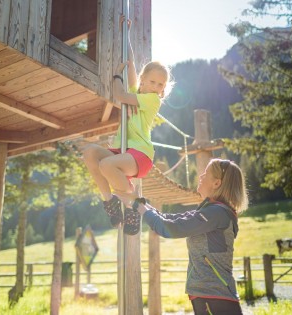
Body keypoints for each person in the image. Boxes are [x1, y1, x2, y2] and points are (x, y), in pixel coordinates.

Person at [82, 17, 172, 235]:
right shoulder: (137, 91)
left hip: (140, 154)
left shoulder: (152, 100)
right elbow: (131, 62)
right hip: (124, 149)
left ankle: (134, 204)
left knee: (106, 166)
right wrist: (126, 33)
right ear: (143, 80)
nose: (156, 87)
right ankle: (110, 202)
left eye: (161, 85)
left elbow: (120, 94)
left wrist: (115, 76)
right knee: (90, 152)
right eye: (152, 82)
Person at [127, 158, 248, 315]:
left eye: (205, 173)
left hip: (213, 295)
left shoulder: (216, 214)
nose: (200, 176)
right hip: (211, 294)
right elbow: (170, 219)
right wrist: (141, 203)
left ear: (217, 183)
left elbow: (170, 228)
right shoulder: (211, 212)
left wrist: (138, 206)